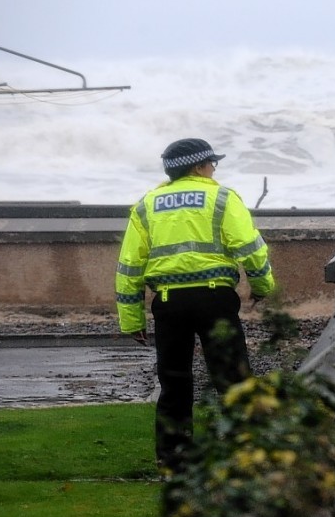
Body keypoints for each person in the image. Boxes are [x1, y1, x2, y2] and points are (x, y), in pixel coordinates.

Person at [115, 138, 277, 472]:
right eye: (211, 164)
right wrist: (263, 287)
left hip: (169, 303)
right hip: (215, 299)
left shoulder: (146, 205)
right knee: (232, 379)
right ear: (197, 167)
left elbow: (130, 267)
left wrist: (132, 319)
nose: (214, 169)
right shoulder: (222, 197)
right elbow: (250, 249)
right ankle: (245, 455)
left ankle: (174, 462)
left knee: (174, 383)